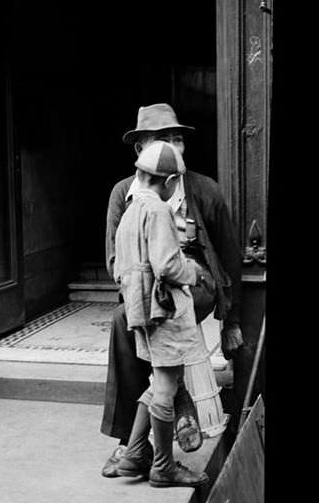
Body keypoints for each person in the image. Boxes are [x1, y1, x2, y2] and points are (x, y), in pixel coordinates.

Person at [101, 103, 244, 477]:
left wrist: (231, 320)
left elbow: (229, 258)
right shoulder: (125, 195)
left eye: (177, 139)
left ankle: (139, 449)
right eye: (164, 140)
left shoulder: (203, 189)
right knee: (124, 323)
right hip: (154, 285)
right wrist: (142, 291)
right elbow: (115, 260)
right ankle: (140, 442)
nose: (174, 148)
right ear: (141, 149)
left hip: (195, 286)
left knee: (149, 326)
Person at [111, 140, 209, 487]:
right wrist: (193, 271)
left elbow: (119, 269)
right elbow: (167, 265)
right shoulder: (159, 211)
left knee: (158, 381)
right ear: (168, 182)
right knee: (168, 385)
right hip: (163, 311)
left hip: (140, 311)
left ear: (139, 174)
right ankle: (164, 467)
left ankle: (136, 452)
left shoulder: (130, 213)